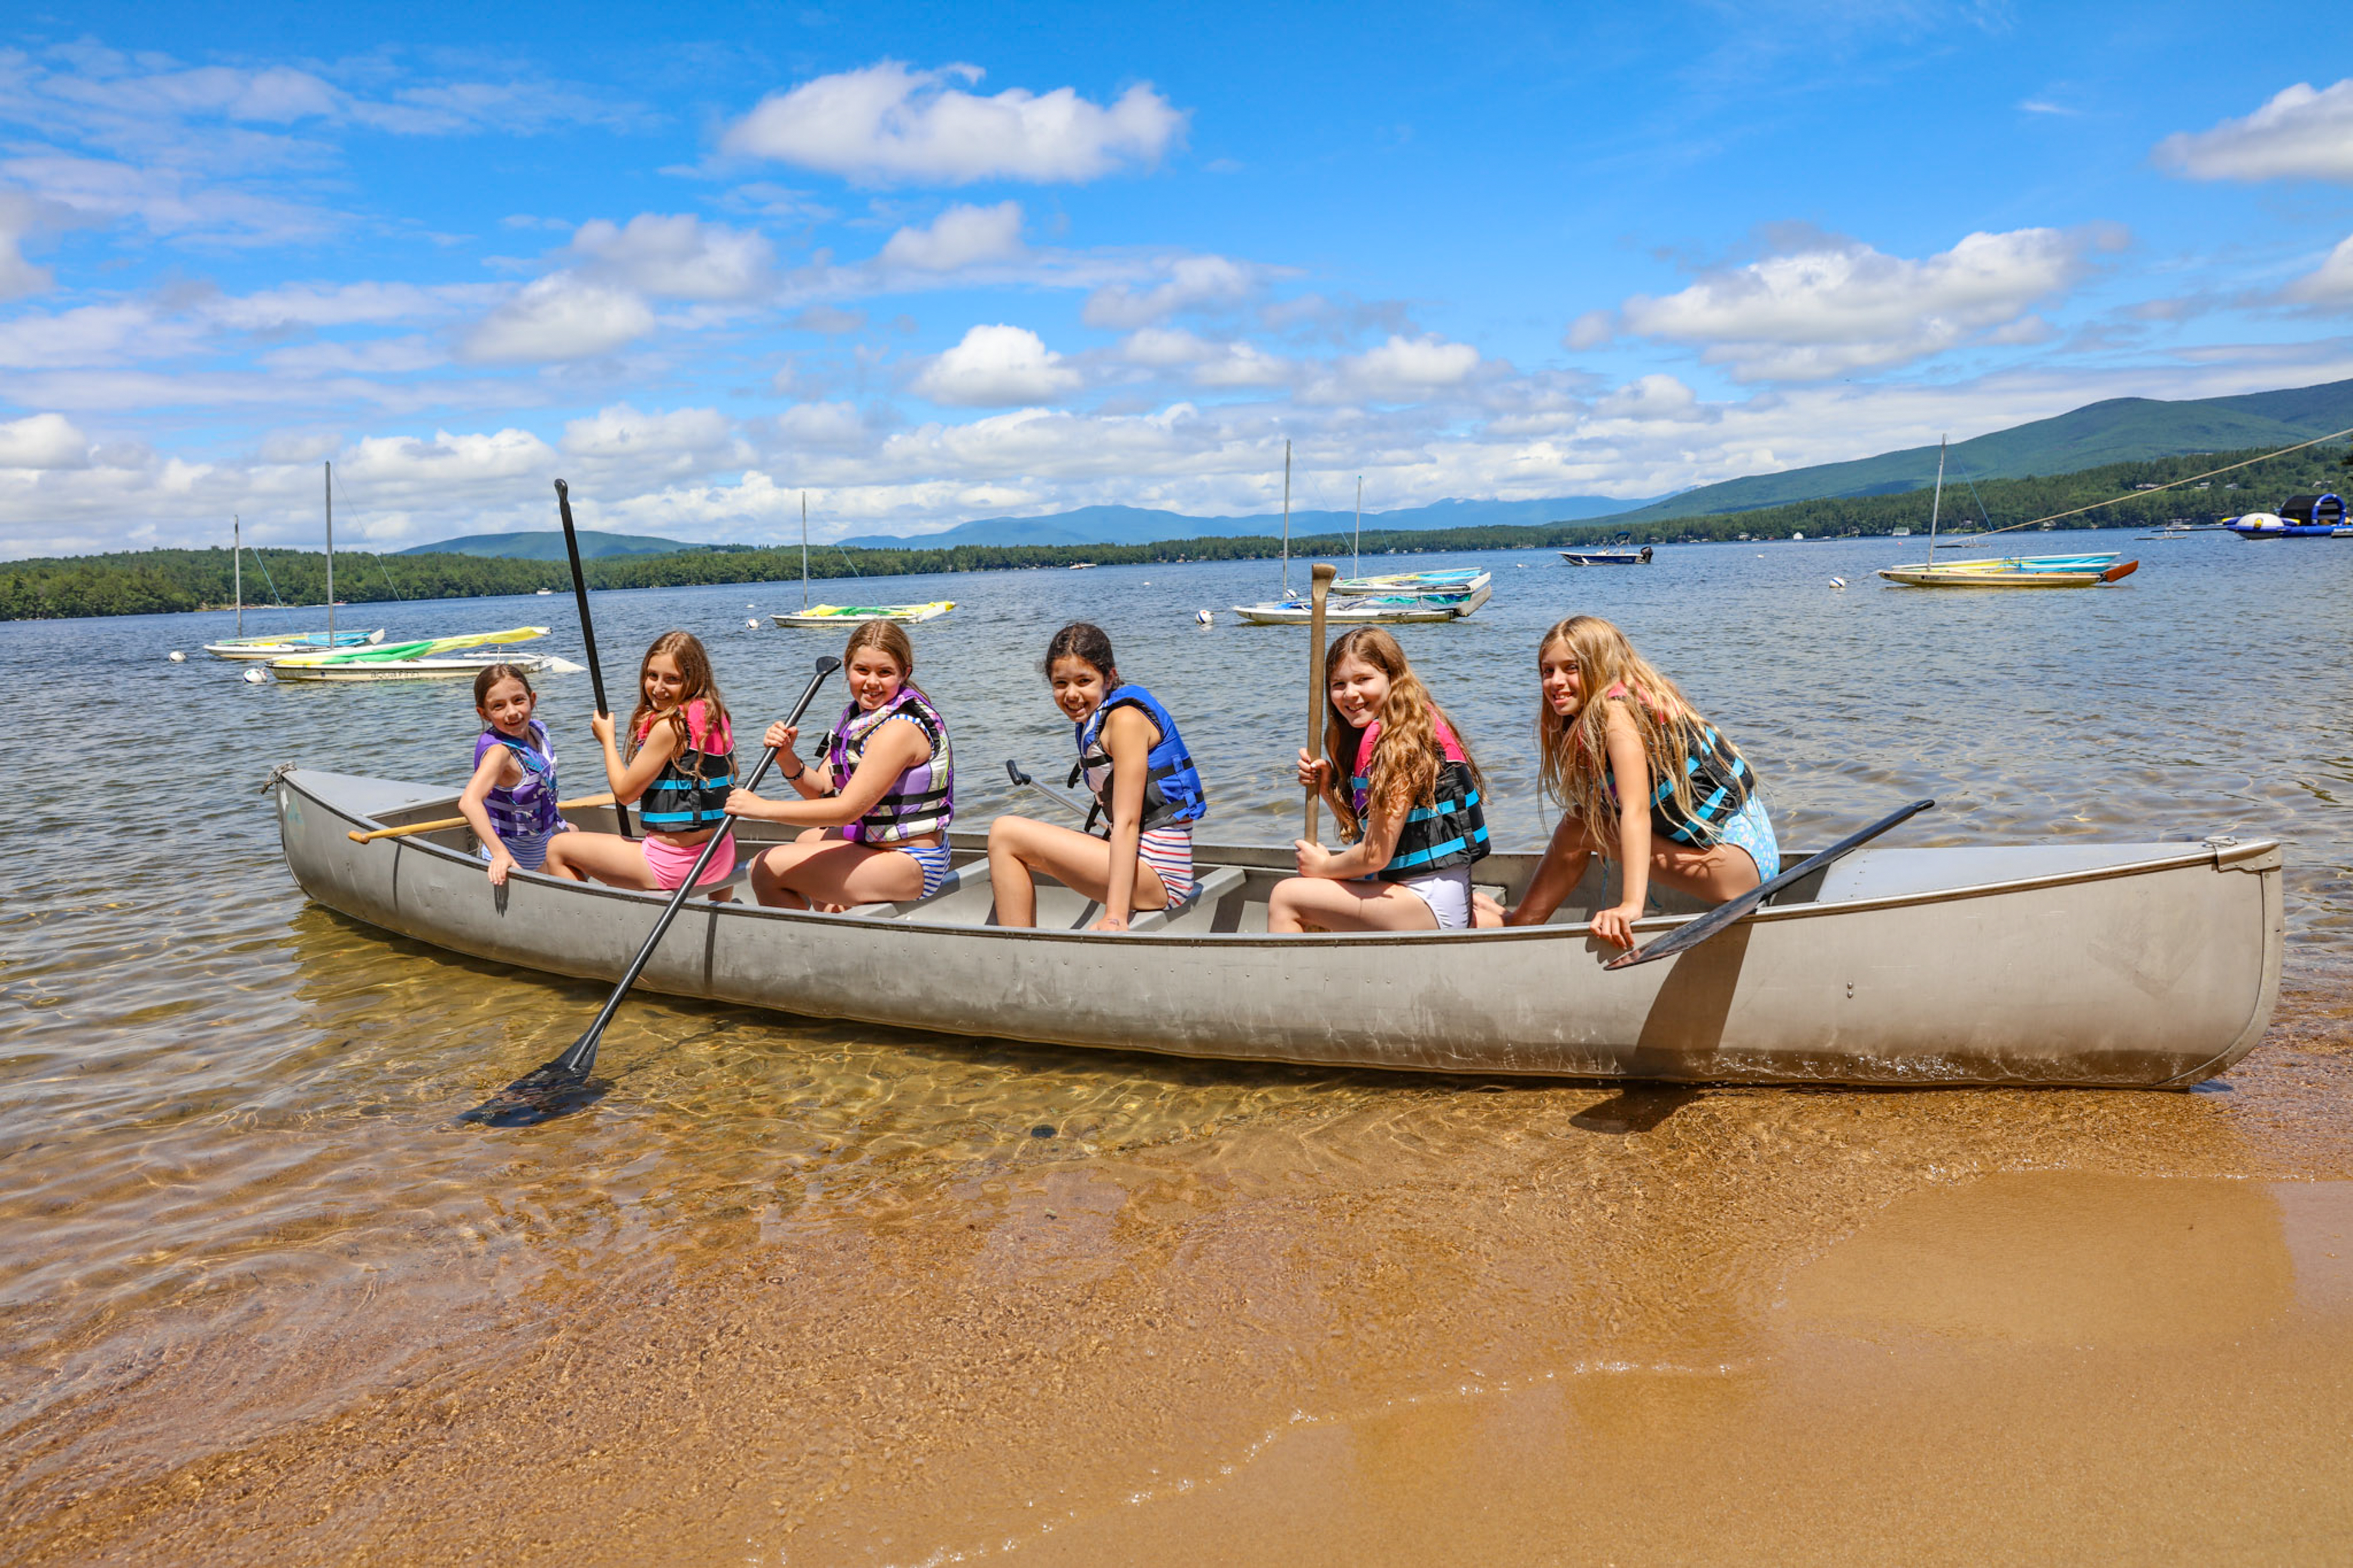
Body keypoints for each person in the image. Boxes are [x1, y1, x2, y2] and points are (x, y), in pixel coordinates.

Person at [1481, 614, 1777, 948]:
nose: (1555, 681)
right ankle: (1521, 920)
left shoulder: (1616, 714)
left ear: (1599, 667)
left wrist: (1630, 906)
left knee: (1578, 828)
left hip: (1736, 871)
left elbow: (1636, 811)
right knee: (1583, 820)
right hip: (1748, 858)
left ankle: (1518, 924)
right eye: (1548, 671)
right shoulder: (1632, 699)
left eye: (1571, 668)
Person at [988, 621, 1207, 932]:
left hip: (1161, 877)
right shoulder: (1099, 717)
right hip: (1143, 865)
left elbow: (1128, 822)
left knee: (1005, 833)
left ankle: (1020, 954)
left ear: (1110, 677)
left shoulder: (1125, 721)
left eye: (1084, 681)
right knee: (1014, 841)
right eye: (1060, 683)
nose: (1072, 694)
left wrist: (1114, 916)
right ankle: (1020, 945)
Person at [1270, 626, 1490, 933]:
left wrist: (1323, 867)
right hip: (1422, 895)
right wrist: (1328, 790)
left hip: (1428, 904)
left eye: (1363, 679)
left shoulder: (1398, 741)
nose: (1350, 693)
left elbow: (1375, 855)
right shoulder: (1395, 727)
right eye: (1338, 684)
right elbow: (1367, 832)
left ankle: (1294, 980)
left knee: (1286, 897)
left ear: (1392, 677)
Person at [726, 622, 955, 910]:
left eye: (884, 673)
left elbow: (847, 810)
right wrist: (786, 757)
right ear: (848, 668)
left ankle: (808, 946)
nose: (872, 682)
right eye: (862, 671)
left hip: (913, 861)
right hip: (878, 845)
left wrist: (761, 809)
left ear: (904, 673)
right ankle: (834, 921)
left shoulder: (899, 730)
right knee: (806, 840)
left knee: (765, 868)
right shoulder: (859, 718)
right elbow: (821, 792)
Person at [542, 630, 739, 896]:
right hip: (721, 852)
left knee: (558, 848)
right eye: (652, 675)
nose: (658, 688)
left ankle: (587, 925)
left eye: (672, 679)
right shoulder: (715, 714)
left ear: (694, 680)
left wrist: (607, 740)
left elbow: (624, 794)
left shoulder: (670, 726)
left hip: (676, 864)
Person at [455, 662, 572, 885]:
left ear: (533, 699)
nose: (512, 712)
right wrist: (500, 854)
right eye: (498, 706)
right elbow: (469, 803)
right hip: (514, 858)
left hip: (543, 842)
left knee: (574, 833)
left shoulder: (539, 731)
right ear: (484, 713)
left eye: (519, 700)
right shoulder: (500, 753)